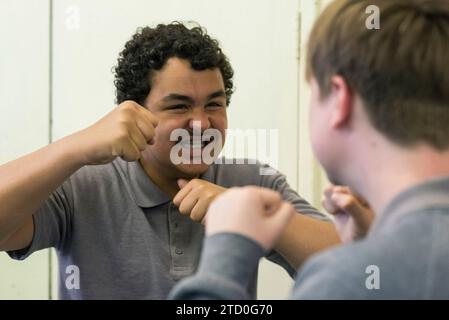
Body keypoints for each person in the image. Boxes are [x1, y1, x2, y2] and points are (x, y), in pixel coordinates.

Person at [0, 23, 342, 299]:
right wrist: (76, 147)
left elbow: (351, 265)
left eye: (214, 104)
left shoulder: (253, 180)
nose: (201, 124)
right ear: (132, 113)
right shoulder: (82, 184)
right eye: (179, 106)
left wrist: (244, 210)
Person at [169, 0, 449, 299]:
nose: (200, 124)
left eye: (312, 89)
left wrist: (225, 257)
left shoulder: (343, 281)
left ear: (339, 99)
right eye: (177, 105)